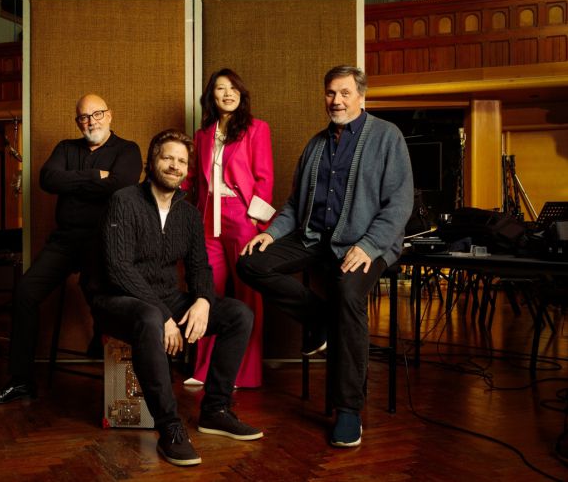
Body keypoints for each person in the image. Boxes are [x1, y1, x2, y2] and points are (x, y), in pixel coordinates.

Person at [237, 65, 413, 448]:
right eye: (331, 93)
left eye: (345, 93)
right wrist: (270, 234)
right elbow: (294, 204)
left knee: (347, 293)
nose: (337, 101)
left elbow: (400, 204)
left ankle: (348, 409)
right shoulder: (316, 145)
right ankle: (319, 319)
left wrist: (368, 245)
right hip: (315, 237)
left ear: (361, 96)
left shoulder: (387, 136)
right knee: (251, 262)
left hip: (368, 242)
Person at [87, 129, 263, 467]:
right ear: (152, 161)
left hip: (165, 300)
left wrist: (203, 301)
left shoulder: (189, 214)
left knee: (238, 314)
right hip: (116, 300)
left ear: (187, 170)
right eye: (167, 157)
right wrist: (164, 315)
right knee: (150, 318)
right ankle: (169, 426)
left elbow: (199, 267)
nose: (174, 165)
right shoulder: (124, 201)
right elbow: (119, 269)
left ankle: (215, 410)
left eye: (181, 161)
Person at [0, 94, 142, 404]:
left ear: (110, 115)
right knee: (25, 292)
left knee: (102, 292)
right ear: (77, 122)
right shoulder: (66, 148)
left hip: (104, 241)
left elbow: (121, 185)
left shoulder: (127, 150)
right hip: (64, 240)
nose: (91, 121)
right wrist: (95, 176)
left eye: (97, 114)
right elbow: (48, 179)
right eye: (84, 117)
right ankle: (21, 381)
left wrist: (73, 182)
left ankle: (106, 350)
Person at [183, 68, 274, 388]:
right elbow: (193, 179)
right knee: (208, 291)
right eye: (221, 88)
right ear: (212, 95)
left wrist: (255, 220)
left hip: (242, 214)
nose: (228, 93)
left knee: (249, 293)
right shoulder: (202, 134)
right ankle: (205, 370)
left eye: (233, 88)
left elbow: (264, 178)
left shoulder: (256, 128)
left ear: (241, 93)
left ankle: (246, 374)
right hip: (208, 216)